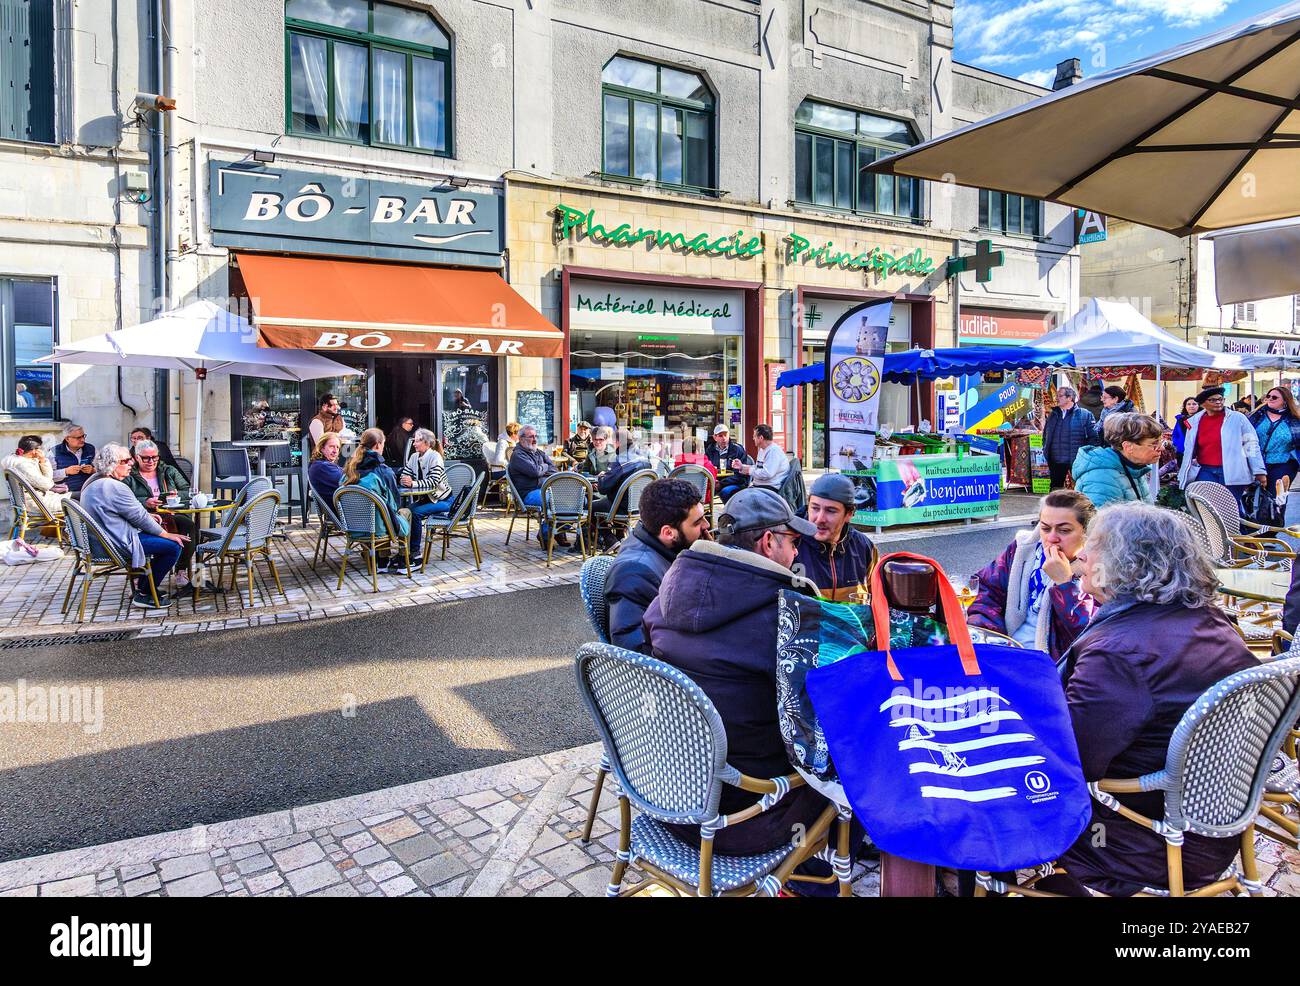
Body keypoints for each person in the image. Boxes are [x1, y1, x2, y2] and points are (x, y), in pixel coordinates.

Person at [643, 488, 850, 889]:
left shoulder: (669, 589)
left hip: (668, 797)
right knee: (859, 751)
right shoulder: (786, 618)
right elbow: (821, 727)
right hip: (746, 818)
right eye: (793, 542)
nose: (797, 555)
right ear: (768, 542)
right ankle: (814, 877)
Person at [1047, 502, 1257, 896]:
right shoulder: (1210, 620)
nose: (1082, 555)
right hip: (1216, 828)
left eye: (1093, 546)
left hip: (1136, 844)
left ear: (1123, 563)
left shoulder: (1119, 652)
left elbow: (1071, 763)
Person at [967, 490, 1097, 663]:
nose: (1052, 538)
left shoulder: (1099, 568)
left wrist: (1065, 584)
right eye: (1045, 528)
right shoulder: (1023, 550)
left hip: (1053, 670)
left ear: (1086, 532)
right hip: (1009, 654)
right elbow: (987, 588)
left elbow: (1092, 635)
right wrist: (993, 640)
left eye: (1064, 530)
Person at [605, 478, 711, 652]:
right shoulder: (634, 573)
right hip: (663, 674)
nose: (706, 526)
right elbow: (633, 650)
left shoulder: (666, 546)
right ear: (668, 532)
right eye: (697, 522)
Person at [79, 443, 189, 609]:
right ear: (113, 464)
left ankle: (146, 587)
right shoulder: (114, 487)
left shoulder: (94, 482)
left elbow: (121, 512)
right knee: (173, 546)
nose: (131, 463)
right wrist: (167, 535)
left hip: (100, 540)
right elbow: (139, 517)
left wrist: (148, 516)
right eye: (126, 461)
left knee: (166, 537)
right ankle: (144, 592)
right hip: (114, 544)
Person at [1177, 386, 1266, 513]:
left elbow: (1250, 444)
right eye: (1212, 400)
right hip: (1205, 470)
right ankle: (1213, 533)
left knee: (1231, 509)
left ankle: (1235, 532)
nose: (1218, 402)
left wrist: (1259, 470)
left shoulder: (1238, 418)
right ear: (1203, 404)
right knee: (1208, 509)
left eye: (1220, 399)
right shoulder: (1194, 421)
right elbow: (1189, 448)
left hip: (1232, 470)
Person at [124, 439, 197, 589]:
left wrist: (174, 496)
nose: (151, 461)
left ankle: (181, 570)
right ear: (137, 457)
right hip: (143, 516)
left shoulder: (168, 470)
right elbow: (125, 498)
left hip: (170, 513)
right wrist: (145, 501)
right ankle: (139, 575)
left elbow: (187, 491)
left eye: (155, 457)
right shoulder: (129, 475)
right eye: (146, 458)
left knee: (188, 526)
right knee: (140, 535)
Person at [792, 473, 875, 601]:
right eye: (814, 508)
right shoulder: (789, 542)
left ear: (849, 514)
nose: (820, 519)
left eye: (831, 511)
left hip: (852, 621)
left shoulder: (864, 547)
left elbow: (878, 599)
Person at [343, 428, 414, 573]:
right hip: (378, 528)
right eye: (383, 444)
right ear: (377, 445)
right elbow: (394, 504)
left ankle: (382, 561)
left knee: (380, 511)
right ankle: (402, 560)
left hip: (353, 527)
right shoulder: (383, 471)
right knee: (402, 512)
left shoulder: (349, 470)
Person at [1070, 413, 1164, 509]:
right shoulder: (1101, 478)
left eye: (1161, 442)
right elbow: (1104, 522)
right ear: (1128, 447)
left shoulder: (1134, 468)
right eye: (1154, 444)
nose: (1162, 448)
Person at [507, 424, 564, 547]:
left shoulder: (538, 452)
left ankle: (558, 531)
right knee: (557, 501)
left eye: (535, 436)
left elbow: (554, 469)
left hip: (544, 489)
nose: (535, 439)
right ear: (521, 439)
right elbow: (535, 471)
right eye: (531, 436)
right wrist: (544, 467)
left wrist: (542, 469)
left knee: (575, 500)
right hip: (528, 493)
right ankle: (545, 534)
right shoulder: (518, 455)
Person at [1041, 386, 1098, 489]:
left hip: (1077, 460)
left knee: (1080, 489)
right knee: (1055, 490)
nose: (1057, 398)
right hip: (1056, 460)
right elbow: (1045, 435)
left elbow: (1093, 437)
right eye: (1057, 396)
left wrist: (1087, 455)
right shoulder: (1053, 415)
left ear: (1069, 398)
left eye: (1060, 396)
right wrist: (1045, 449)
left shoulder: (1084, 415)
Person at [399, 428, 455, 528]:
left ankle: (414, 544)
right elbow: (404, 474)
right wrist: (405, 480)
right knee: (404, 512)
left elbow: (433, 481)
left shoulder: (435, 457)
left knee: (415, 513)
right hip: (427, 500)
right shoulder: (414, 457)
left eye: (417, 441)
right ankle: (405, 543)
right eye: (414, 441)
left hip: (443, 501)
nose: (414, 444)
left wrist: (412, 484)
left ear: (427, 443)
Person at [2, 436, 69, 518]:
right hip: (37, 503)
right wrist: (43, 461)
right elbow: (47, 485)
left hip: (33, 500)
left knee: (76, 495)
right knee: (77, 501)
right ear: (34, 450)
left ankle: (63, 530)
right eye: (40, 448)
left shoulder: (17, 461)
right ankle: (74, 530)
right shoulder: (24, 466)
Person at [1248, 386, 1300, 491]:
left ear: (1285, 401)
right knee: (1255, 498)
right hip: (1257, 463)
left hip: (1283, 464)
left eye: (1275, 397)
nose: (1270, 399)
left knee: (1276, 499)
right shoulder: (1256, 415)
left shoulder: (1294, 420)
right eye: (1268, 396)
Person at [705, 424, 752, 503]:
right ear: (715, 437)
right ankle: (707, 513)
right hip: (716, 482)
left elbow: (740, 475)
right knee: (701, 491)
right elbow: (707, 467)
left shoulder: (737, 449)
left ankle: (730, 512)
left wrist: (721, 483)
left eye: (725, 435)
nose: (724, 438)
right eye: (720, 436)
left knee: (725, 492)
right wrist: (714, 481)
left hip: (736, 482)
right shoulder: (710, 449)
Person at [444, 405, 489, 483]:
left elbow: (462, 438)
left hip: (475, 458)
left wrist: (452, 442)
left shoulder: (474, 429)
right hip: (477, 457)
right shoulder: (474, 429)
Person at [50, 422, 96, 497]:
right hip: (66, 494)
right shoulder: (53, 452)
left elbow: (102, 470)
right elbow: (48, 477)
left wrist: (93, 470)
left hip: (89, 491)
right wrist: (65, 471)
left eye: (83, 436)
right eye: (78, 438)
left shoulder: (91, 449)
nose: (82, 440)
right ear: (67, 438)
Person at [308, 432, 345, 507]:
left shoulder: (321, 465)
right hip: (345, 513)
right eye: (331, 447)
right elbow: (348, 479)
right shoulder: (322, 467)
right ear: (322, 448)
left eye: (337, 447)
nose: (335, 451)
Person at [1170, 396, 1199, 461]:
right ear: (1185, 407)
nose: (1191, 406)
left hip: (1197, 453)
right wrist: (1178, 445)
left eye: (1194, 404)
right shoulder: (1180, 419)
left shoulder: (1202, 419)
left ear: (1198, 406)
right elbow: (1175, 434)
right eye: (1189, 404)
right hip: (1182, 452)